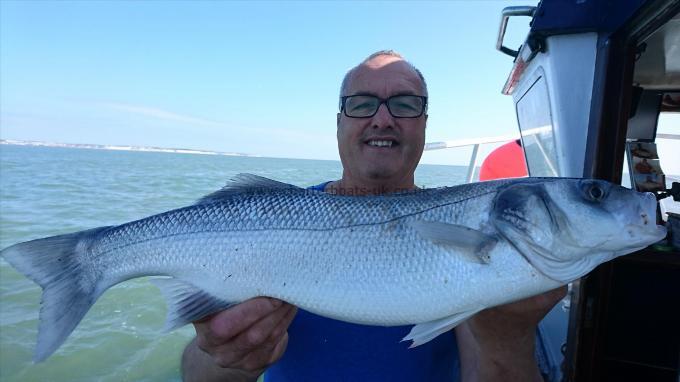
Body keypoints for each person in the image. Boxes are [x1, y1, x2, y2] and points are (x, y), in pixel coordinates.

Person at [181, 51, 566, 382]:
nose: (382, 119)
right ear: (338, 123)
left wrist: (509, 336)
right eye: (363, 104)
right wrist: (228, 359)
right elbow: (194, 372)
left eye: (404, 103)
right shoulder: (267, 223)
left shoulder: (468, 224)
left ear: (424, 124)